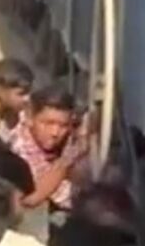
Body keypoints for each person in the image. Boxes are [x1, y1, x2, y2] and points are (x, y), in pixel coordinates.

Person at [11, 83, 88, 236]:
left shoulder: (69, 133)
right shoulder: (20, 149)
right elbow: (34, 197)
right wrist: (69, 158)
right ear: (30, 118)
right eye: (48, 123)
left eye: (63, 125)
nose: (55, 132)